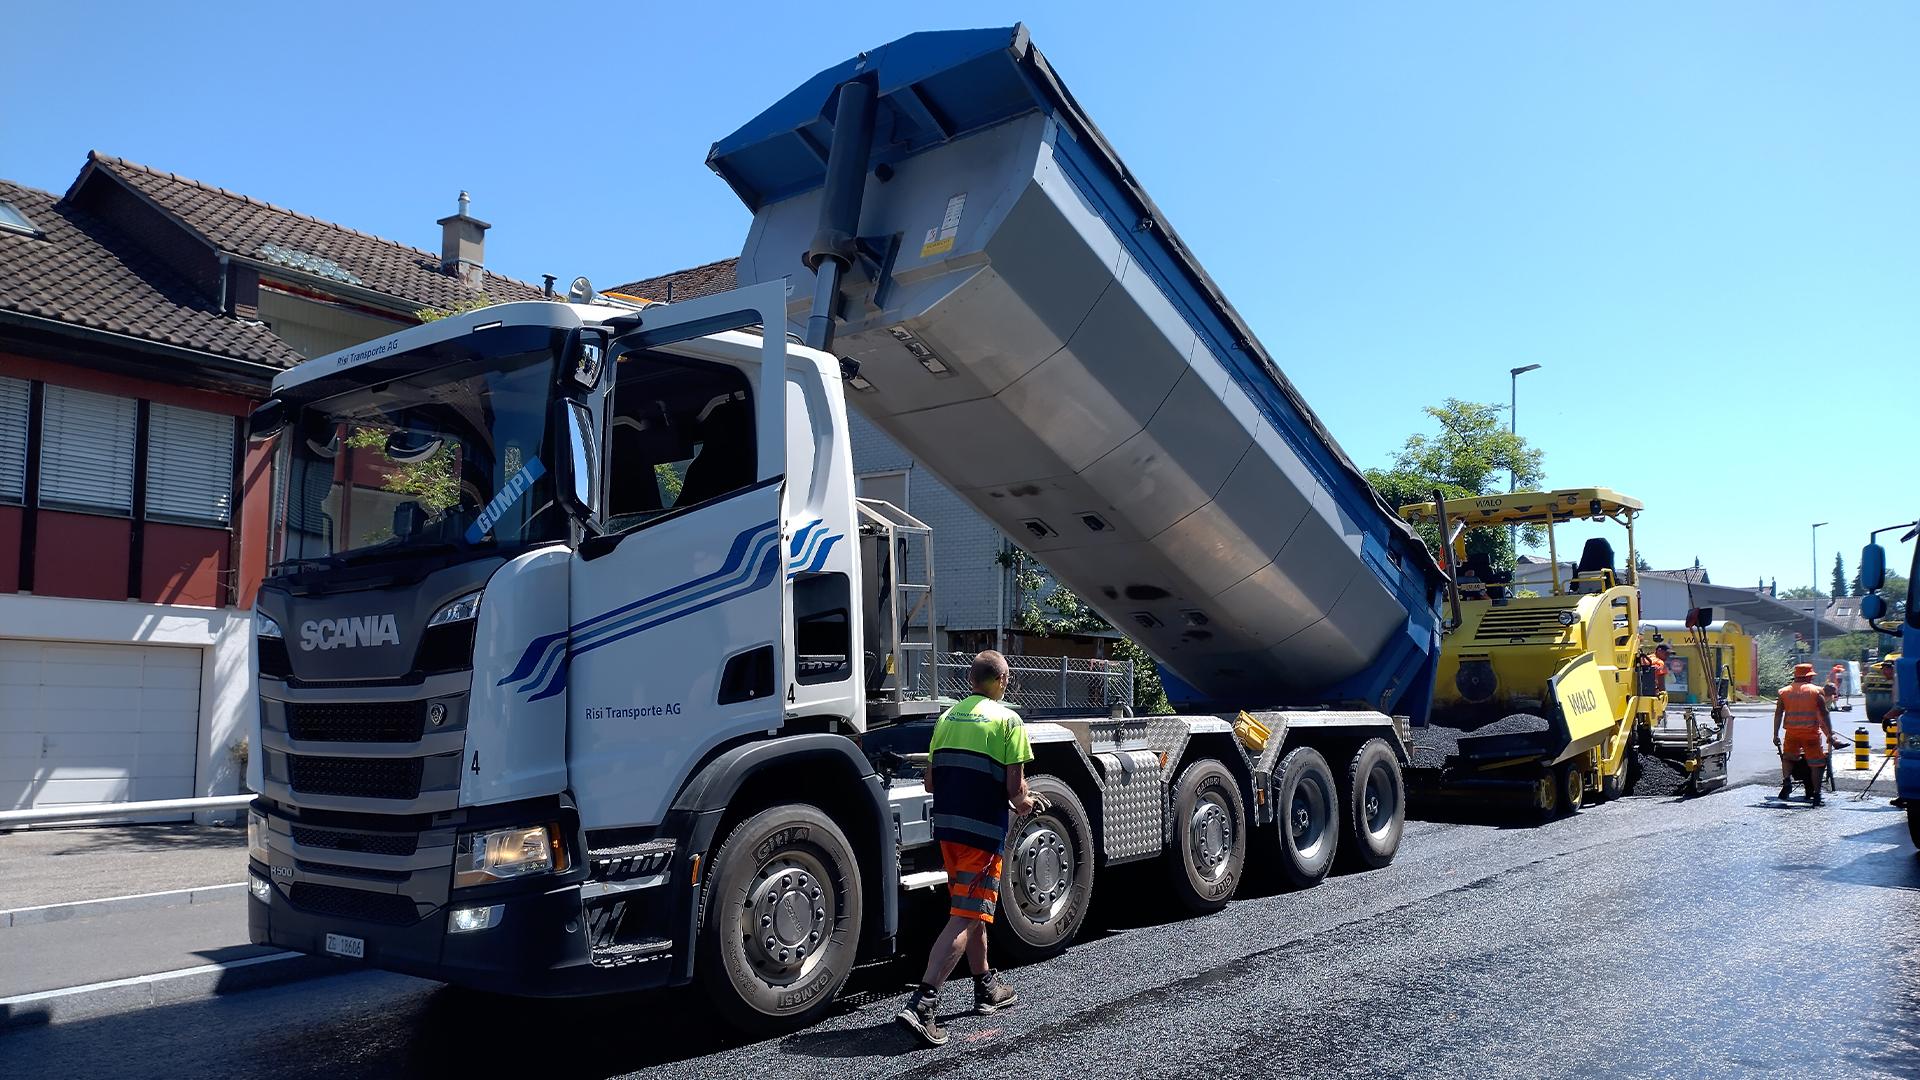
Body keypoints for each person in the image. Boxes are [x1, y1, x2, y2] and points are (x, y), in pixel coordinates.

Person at [896, 650, 1033, 1047]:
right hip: (981, 834)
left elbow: (930, 783)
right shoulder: (1009, 720)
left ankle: (985, 984)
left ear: (972, 681)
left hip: (949, 832)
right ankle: (924, 1001)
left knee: (970, 909)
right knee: (966, 915)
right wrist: (1027, 803)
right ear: (1003, 680)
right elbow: (1015, 790)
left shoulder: (947, 718)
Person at [1774, 662, 1836, 805]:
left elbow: (1778, 714)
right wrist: (1830, 733)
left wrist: (1775, 734)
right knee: (1817, 764)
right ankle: (1817, 794)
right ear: (1808, 677)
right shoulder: (1815, 691)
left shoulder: (1784, 692)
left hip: (1792, 733)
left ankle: (1787, 781)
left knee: (1788, 758)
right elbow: (1824, 714)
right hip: (1810, 734)